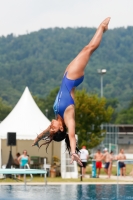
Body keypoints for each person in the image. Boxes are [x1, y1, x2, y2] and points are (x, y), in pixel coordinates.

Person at [32, 17, 111, 166]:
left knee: (85, 49)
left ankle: (101, 28)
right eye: (53, 128)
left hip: (67, 76)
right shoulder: (68, 117)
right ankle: (102, 28)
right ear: (60, 128)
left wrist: (37, 139)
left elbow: (46, 132)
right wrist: (73, 152)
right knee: (88, 49)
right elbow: (72, 135)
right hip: (73, 78)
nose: (51, 125)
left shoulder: (58, 118)